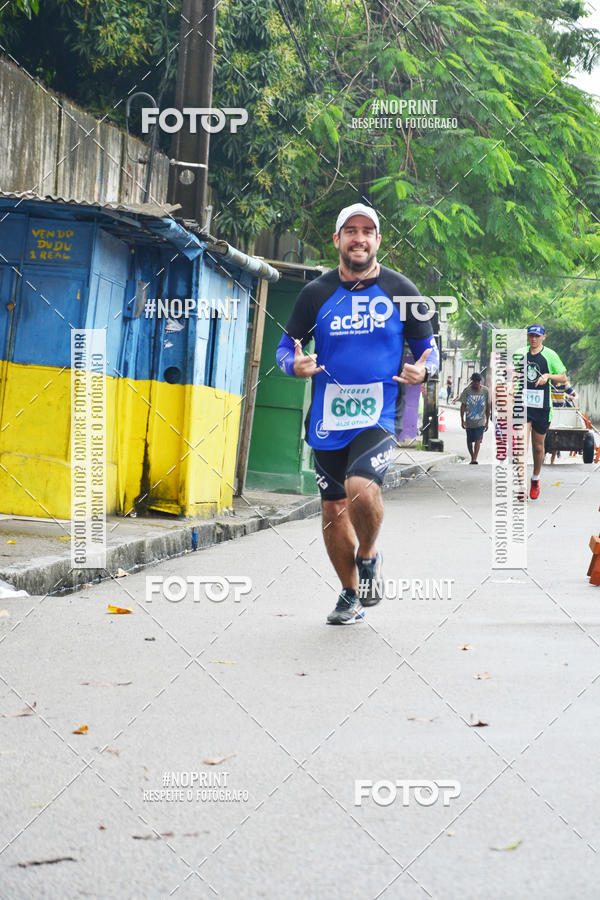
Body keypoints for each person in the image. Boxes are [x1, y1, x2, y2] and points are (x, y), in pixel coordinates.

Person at [275, 202, 439, 625]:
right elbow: (284, 348)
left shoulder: (402, 291)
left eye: (367, 231)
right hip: (327, 419)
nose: (359, 238)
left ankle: (368, 555)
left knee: (360, 489)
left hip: (379, 414)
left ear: (378, 240)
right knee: (332, 510)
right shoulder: (316, 294)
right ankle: (350, 595)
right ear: (338, 239)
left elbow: (429, 351)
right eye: (351, 231)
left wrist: (424, 370)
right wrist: (294, 365)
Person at [525, 324, 567, 498]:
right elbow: (513, 374)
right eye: (531, 335)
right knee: (521, 445)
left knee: (537, 447)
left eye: (537, 336)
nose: (533, 339)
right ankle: (519, 484)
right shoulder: (521, 353)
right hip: (523, 406)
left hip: (542, 408)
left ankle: (535, 479)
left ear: (544, 337)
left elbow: (563, 377)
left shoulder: (550, 355)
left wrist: (548, 376)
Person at [459, 373, 490, 464]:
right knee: (469, 441)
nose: (476, 383)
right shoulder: (467, 391)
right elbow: (463, 406)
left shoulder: (485, 391)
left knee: (478, 439)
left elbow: (488, 406)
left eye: (478, 382)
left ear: (480, 382)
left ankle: (474, 458)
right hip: (469, 421)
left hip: (480, 421)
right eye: (474, 381)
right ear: (472, 381)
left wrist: (487, 421)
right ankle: (472, 456)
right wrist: (462, 420)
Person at [549, 379, 577, 464]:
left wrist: (572, 397)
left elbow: (575, 395)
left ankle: (552, 460)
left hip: (561, 411)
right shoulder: (547, 383)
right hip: (549, 411)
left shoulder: (564, 383)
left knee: (557, 434)